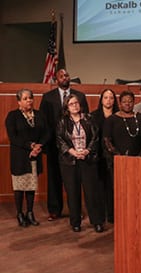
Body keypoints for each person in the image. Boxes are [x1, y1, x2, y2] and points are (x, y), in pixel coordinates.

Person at [39, 68, 89, 221]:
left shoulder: (79, 96)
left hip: (76, 145)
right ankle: (55, 210)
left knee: (74, 180)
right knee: (54, 179)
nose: (64, 78)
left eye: (66, 75)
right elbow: (44, 122)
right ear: (56, 79)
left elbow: (86, 119)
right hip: (55, 145)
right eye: (61, 76)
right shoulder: (47, 97)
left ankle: (75, 210)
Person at [56, 94, 104, 233]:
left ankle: (97, 222)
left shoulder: (89, 119)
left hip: (87, 160)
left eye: (76, 103)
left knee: (92, 193)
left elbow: (96, 137)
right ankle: (75, 222)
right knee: (73, 193)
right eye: (71, 104)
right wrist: (72, 152)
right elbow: (60, 140)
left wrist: (87, 151)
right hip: (70, 162)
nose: (75, 106)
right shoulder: (62, 121)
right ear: (66, 107)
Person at [5, 89, 50, 227]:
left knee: (31, 186)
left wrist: (39, 146)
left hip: (34, 156)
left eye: (30, 98)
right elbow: (13, 137)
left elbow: (47, 132)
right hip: (19, 157)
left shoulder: (39, 114)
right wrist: (30, 145)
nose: (29, 100)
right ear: (19, 101)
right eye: (25, 98)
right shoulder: (12, 116)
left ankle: (30, 213)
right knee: (19, 187)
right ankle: (20, 214)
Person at [91, 89, 119, 224]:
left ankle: (113, 215)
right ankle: (100, 217)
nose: (108, 100)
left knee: (113, 187)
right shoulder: (93, 116)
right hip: (99, 157)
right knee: (100, 188)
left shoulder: (119, 115)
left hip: (115, 158)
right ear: (101, 100)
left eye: (111, 98)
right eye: (106, 97)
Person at [103, 90, 141, 158]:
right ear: (120, 103)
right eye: (124, 102)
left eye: (130, 101)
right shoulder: (111, 120)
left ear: (134, 102)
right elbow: (107, 142)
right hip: (117, 161)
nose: (127, 104)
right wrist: (119, 156)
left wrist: (140, 156)